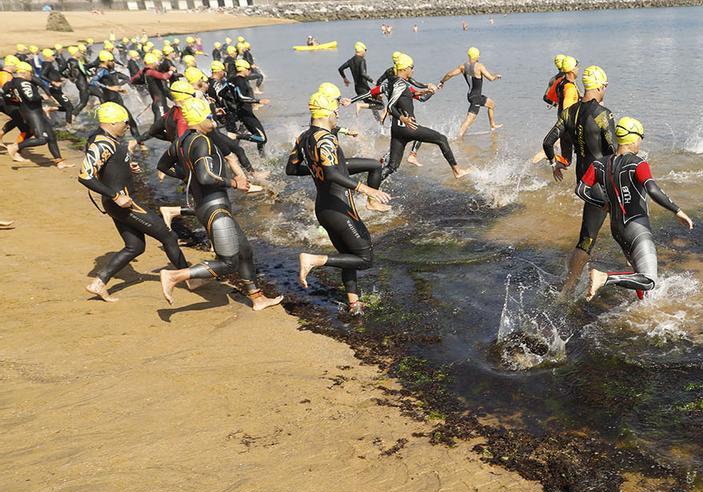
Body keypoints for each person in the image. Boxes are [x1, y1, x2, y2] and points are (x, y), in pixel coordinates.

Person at [157, 98, 282, 311]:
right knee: (228, 262)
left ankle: (257, 298)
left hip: (206, 206)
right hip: (215, 208)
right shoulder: (202, 142)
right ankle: (176, 275)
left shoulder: (181, 141)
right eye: (209, 116)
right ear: (200, 119)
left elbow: (163, 166)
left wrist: (189, 177)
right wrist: (233, 182)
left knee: (244, 250)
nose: (213, 120)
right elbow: (206, 177)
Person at [286, 92, 391, 315]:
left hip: (323, 208)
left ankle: (354, 304)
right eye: (334, 112)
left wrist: (318, 171)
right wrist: (365, 189)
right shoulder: (325, 139)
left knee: (347, 255)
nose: (336, 115)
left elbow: (292, 169)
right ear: (325, 114)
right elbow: (333, 174)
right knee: (364, 258)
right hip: (340, 207)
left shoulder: (303, 137)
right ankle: (314, 259)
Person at [79, 102, 191, 302]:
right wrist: (116, 196)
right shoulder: (101, 143)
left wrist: (125, 166)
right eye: (125, 122)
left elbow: (107, 166)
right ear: (112, 123)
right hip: (123, 202)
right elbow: (85, 176)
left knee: (135, 246)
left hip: (120, 201)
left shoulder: (108, 139)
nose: (127, 126)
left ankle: (99, 283)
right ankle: (190, 277)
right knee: (168, 236)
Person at [574, 117, 694, 301]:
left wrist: (603, 204)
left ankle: (643, 305)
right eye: (641, 137)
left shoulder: (599, 164)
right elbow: (652, 189)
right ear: (632, 139)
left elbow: (581, 190)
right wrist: (677, 210)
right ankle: (604, 278)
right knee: (649, 280)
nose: (641, 142)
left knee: (637, 270)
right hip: (636, 226)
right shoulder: (638, 163)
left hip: (617, 229)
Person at [542, 65, 617, 294]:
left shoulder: (568, 112)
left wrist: (555, 163)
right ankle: (642, 281)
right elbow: (616, 150)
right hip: (606, 183)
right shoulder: (603, 115)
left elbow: (547, 142)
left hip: (585, 185)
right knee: (631, 230)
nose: (605, 90)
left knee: (586, 238)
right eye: (605, 86)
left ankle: (568, 287)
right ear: (600, 86)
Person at [381, 52, 470, 180]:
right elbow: (390, 106)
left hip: (397, 129)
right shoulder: (400, 84)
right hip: (407, 127)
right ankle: (457, 171)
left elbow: (404, 97)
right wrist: (403, 118)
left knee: (392, 166)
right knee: (441, 139)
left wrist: (424, 91)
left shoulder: (394, 81)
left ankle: (369, 191)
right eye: (411, 67)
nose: (413, 70)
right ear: (405, 68)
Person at [4, 61, 71, 168]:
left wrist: (16, 98)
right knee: (42, 139)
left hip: (33, 112)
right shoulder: (23, 83)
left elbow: (5, 91)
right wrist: (41, 96)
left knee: (52, 137)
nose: (31, 75)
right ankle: (15, 146)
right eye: (30, 72)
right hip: (33, 114)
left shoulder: (13, 81)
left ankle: (60, 162)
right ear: (24, 72)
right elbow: (31, 98)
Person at [436, 47, 502, 138]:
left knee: (491, 104)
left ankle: (492, 125)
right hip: (476, 99)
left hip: (471, 95)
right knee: (469, 121)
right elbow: (490, 78)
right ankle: (457, 138)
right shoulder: (480, 66)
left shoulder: (463, 66)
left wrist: (442, 82)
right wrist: (496, 76)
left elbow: (450, 74)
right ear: (477, 56)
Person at [230, 59, 269, 153]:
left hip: (243, 112)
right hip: (245, 113)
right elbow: (241, 97)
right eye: (248, 69)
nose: (250, 71)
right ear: (243, 69)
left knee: (259, 134)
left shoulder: (232, 79)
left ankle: (262, 158)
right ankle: (235, 136)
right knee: (262, 138)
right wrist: (258, 101)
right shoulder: (240, 81)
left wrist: (232, 103)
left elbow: (222, 93)